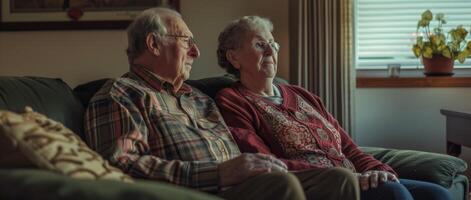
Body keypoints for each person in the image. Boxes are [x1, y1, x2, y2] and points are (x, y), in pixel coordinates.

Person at [84, 7, 359, 200]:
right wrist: (217, 174)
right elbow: (119, 165)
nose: (196, 51)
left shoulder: (198, 97)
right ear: (154, 44)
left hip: (242, 183)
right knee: (281, 185)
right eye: (186, 42)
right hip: (196, 191)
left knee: (338, 178)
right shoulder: (122, 94)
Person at [215, 15, 453, 200]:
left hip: (356, 177)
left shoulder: (301, 94)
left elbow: (348, 147)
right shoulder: (233, 100)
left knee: (437, 195)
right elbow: (263, 161)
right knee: (394, 195)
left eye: (272, 44)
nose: (270, 51)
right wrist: (348, 177)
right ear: (234, 58)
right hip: (319, 185)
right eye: (259, 44)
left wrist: (378, 169)